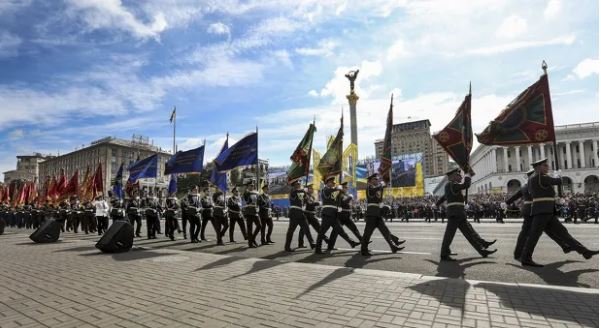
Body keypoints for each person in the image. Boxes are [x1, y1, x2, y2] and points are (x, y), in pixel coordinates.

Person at [520, 159, 598, 267]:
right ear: (538, 168)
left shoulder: (533, 179)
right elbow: (558, 182)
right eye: (545, 165)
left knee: (562, 232)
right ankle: (525, 258)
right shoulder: (541, 177)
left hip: (544, 211)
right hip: (542, 211)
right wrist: (558, 176)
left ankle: (584, 251)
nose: (547, 167)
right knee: (534, 235)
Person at [506, 168, 572, 261]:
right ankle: (564, 245)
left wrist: (507, 202)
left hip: (528, 210)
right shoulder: (536, 185)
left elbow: (514, 197)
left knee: (530, 232)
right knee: (547, 230)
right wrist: (556, 177)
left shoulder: (524, 186)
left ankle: (517, 253)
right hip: (536, 210)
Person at [435, 168, 496, 261]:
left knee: (470, 233)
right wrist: (468, 175)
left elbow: (444, 197)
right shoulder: (452, 185)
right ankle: (444, 254)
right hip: (455, 214)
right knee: (449, 235)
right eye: (458, 175)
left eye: (461, 175)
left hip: (458, 213)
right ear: (452, 176)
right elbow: (466, 185)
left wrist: (437, 204)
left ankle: (482, 248)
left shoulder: (450, 186)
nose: (460, 177)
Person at [361, 173, 405, 256]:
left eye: (377, 179)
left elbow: (379, 199)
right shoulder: (369, 188)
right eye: (375, 179)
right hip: (371, 214)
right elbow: (375, 192)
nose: (377, 180)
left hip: (377, 213)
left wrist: (384, 208)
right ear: (370, 181)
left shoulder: (377, 189)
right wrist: (382, 186)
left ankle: (393, 246)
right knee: (367, 233)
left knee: (385, 230)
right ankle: (364, 250)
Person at [285, 179, 315, 252]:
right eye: (297, 184)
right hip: (294, 213)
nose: (299, 185)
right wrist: (303, 191)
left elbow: (308, 201)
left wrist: (307, 196)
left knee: (306, 229)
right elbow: (298, 194)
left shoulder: (301, 192)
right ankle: (287, 246)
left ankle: (312, 243)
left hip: (301, 213)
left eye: (299, 184)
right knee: (291, 231)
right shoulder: (292, 192)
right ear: (294, 186)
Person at [298, 183, 326, 248]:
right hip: (306, 214)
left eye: (312, 188)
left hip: (312, 214)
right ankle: (300, 243)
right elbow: (309, 204)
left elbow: (312, 205)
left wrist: (318, 205)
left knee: (319, 228)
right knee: (303, 230)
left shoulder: (312, 196)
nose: (312, 189)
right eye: (310, 188)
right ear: (307, 189)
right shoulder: (305, 196)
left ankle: (326, 239)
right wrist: (317, 203)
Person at [243, 181, 261, 248]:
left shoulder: (256, 193)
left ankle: (252, 239)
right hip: (249, 212)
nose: (252, 187)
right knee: (250, 228)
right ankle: (250, 243)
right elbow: (245, 196)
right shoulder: (247, 193)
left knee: (259, 225)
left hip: (255, 211)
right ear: (248, 187)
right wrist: (246, 188)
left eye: (252, 186)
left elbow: (258, 201)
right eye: (250, 186)